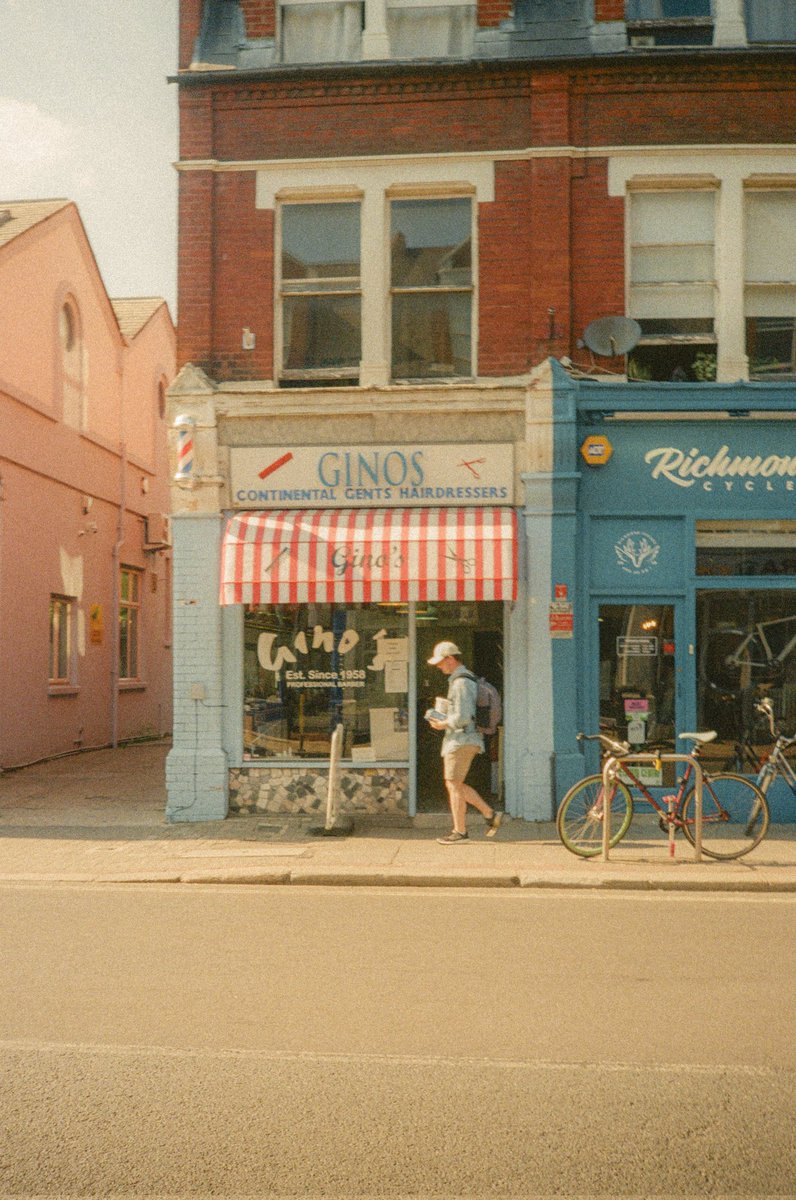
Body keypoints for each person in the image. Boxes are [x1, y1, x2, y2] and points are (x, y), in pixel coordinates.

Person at [426, 640, 502, 845]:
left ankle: (460, 832)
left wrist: (442, 723)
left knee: (453, 784)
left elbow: (463, 716)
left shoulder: (460, 682)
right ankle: (489, 814)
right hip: (464, 739)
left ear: (450, 659)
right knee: (455, 784)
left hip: (461, 739)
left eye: (441, 662)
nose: (439, 666)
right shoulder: (464, 679)